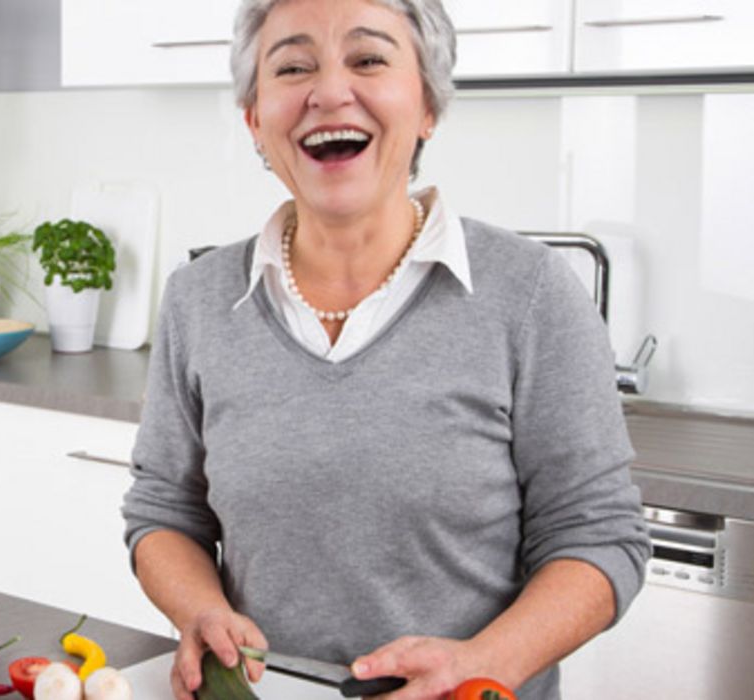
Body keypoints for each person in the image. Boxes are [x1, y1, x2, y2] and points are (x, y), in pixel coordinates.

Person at [120, 1, 651, 699]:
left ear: (428, 104)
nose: (329, 91)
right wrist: (201, 612)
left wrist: (481, 662)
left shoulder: (532, 293)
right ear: (254, 117)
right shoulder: (197, 298)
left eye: (368, 59)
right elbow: (163, 514)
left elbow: (600, 536)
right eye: (292, 66)